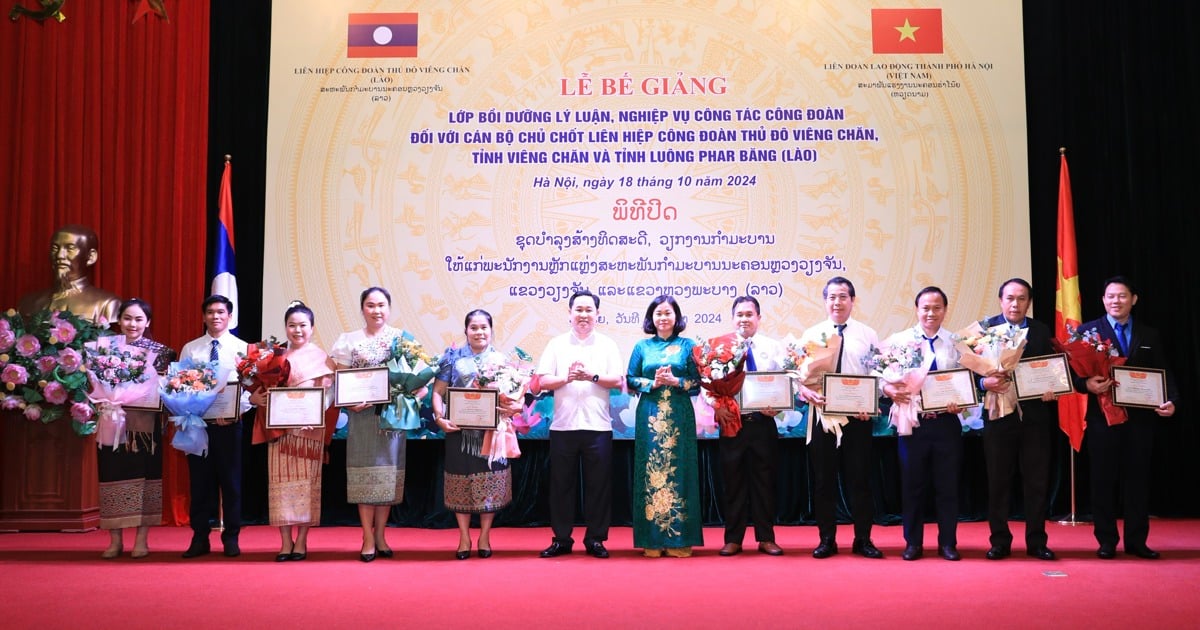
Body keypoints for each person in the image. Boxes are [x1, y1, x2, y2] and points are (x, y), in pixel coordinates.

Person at [1074, 276, 1177, 559]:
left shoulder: (1149, 334)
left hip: (1140, 421)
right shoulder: (1088, 332)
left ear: (1134, 299)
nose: (1115, 301)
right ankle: (1106, 541)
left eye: (1121, 296)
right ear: (1103, 300)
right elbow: (1073, 377)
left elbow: (1164, 372)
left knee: (1138, 481)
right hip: (1102, 421)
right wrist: (1087, 385)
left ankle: (1136, 541)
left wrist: (1172, 401)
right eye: (1110, 296)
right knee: (1102, 481)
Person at [796, 277, 883, 559]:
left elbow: (879, 374)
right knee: (823, 481)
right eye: (832, 297)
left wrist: (870, 402)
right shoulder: (811, 335)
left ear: (853, 300)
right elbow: (798, 378)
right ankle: (827, 540)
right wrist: (805, 392)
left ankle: (863, 540)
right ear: (825, 301)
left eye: (843, 296)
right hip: (823, 417)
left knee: (860, 481)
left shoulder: (868, 335)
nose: (837, 302)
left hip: (858, 418)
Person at [536, 290, 623, 559]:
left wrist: (591, 376)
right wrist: (567, 377)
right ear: (570, 313)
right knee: (561, 486)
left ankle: (596, 539)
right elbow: (542, 381)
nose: (583, 315)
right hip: (563, 427)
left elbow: (617, 380)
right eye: (579, 310)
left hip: (598, 427)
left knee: (599, 486)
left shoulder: (607, 344)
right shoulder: (556, 344)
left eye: (589, 310)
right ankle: (562, 539)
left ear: (597, 314)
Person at [248, 301, 334, 562]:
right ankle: (285, 542)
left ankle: (303, 541)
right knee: (281, 486)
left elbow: (329, 394)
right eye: (292, 325)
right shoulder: (272, 358)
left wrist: (317, 412)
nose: (297, 330)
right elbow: (258, 390)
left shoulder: (322, 358)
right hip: (280, 432)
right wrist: (255, 399)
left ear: (312, 328)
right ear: (285, 327)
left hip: (309, 433)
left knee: (308, 487)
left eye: (303, 325)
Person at [882, 286, 964, 561]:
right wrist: (888, 390)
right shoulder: (899, 341)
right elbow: (881, 376)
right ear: (916, 310)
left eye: (937, 307)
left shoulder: (956, 342)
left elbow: (965, 382)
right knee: (912, 486)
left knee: (948, 486)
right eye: (925, 308)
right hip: (913, 424)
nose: (931, 313)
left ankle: (948, 543)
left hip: (946, 423)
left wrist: (962, 401)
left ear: (945, 310)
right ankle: (913, 543)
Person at [430, 309, 518, 560]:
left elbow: (510, 398)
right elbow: (438, 392)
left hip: (491, 434)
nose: (479, 332)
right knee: (462, 482)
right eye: (474, 328)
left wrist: (510, 407)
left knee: (489, 483)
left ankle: (485, 535)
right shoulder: (453, 358)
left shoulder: (503, 362)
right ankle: (464, 537)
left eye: (484, 327)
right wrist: (439, 418)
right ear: (466, 330)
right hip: (459, 433)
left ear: (491, 330)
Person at [980, 279, 1058, 561]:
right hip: (998, 417)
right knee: (998, 481)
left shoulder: (1040, 330)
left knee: (1036, 481)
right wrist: (983, 382)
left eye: (1021, 299)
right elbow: (970, 372)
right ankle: (999, 541)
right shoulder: (985, 329)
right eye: (1010, 298)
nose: (1015, 304)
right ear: (1001, 300)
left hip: (1035, 417)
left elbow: (1051, 369)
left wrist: (1054, 388)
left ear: (1029, 302)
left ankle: (1037, 541)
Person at [329, 287, 408, 562]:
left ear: (389, 308)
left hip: (391, 418)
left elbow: (412, 379)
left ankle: (382, 535)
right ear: (362, 309)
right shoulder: (348, 340)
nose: (377, 310)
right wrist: (348, 403)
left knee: (386, 478)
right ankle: (367, 536)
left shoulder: (401, 340)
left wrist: (405, 393)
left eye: (382, 305)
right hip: (361, 417)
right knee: (365, 476)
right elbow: (338, 379)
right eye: (371, 305)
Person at [97, 298, 175, 559]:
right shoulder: (104, 349)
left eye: (139, 319)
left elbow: (166, 390)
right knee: (111, 474)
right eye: (128, 318)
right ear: (119, 320)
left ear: (148, 322)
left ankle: (142, 539)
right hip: (112, 421)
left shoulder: (162, 352)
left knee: (145, 477)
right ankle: (115, 539)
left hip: (144, 426)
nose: (133, 324)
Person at [626, 295, 703, 557]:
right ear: (651, 318)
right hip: (649, 416)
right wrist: (653, 384)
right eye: (658, 313)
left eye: (668, 313)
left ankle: (680, 540)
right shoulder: (642, 346)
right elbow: (631, 379)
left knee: (679, 470)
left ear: (676, 317)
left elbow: (698, 382)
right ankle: (652, 540)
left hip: (680, 416)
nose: (663, 318)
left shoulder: (688, 345)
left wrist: (676, 382)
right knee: (651, 471)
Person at [179, 294, 250, 558]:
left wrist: (235, 412)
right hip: (198, 426)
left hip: (230, 426)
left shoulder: (243, 349)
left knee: (231, 483)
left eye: (221, 312)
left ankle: (231, 537)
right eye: (210, 312)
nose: (216, 316)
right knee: (200, 483)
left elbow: (249, 390)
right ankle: (199, 537)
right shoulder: (191, 348)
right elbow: (181, 385)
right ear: (204, 316)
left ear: (230, 316)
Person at [714, 295, 785, 557]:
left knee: (765, 481)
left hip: (763, 423)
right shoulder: (720, 349)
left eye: (749, 314)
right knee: (733, 482)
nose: (744, 319)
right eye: (739, 315)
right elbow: (708, 385)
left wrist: (778, 405)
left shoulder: (773, 347)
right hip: (733, 423)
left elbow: (786, 380)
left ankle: (766, 537)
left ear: (758, 318)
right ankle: (733, 539)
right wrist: (716, 405)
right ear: (733, 319)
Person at [17, 224, 120, 324]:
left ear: (90, 257)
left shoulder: (107, 304)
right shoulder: (28, 303)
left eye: (70, 248)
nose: (60, 255)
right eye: (55, 248)